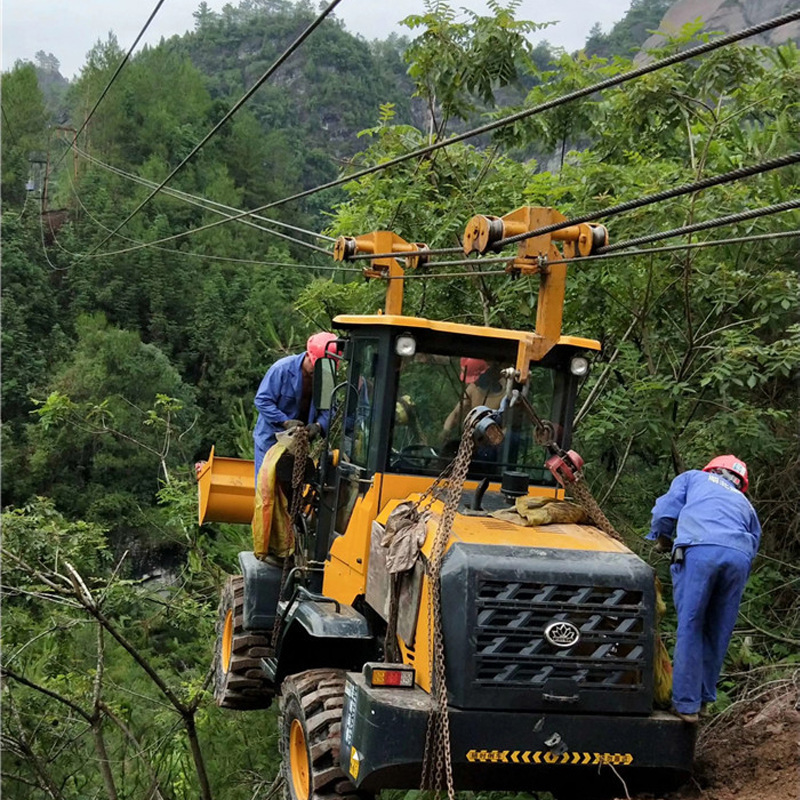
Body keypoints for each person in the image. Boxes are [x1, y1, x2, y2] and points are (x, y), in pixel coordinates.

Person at [647, 455, 761, 723]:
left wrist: (662, 538)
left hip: (700, 550)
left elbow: (665, 511)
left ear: (711, 469)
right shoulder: (745, 503)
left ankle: (686, 706)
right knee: (717, 630)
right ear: (739, 482)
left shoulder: (693, 478)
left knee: (691, 625)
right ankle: (704, 701)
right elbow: (755, 540)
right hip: (739, 557)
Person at [253, 332, 337, 477]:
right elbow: (262, 400)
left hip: (299, 446)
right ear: (310, 358)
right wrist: (285, 421)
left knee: (293, 492)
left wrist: (318, 426)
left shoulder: (326, 377)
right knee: (267, 490)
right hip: (270, 441)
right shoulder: (281, 369)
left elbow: (329, 409)